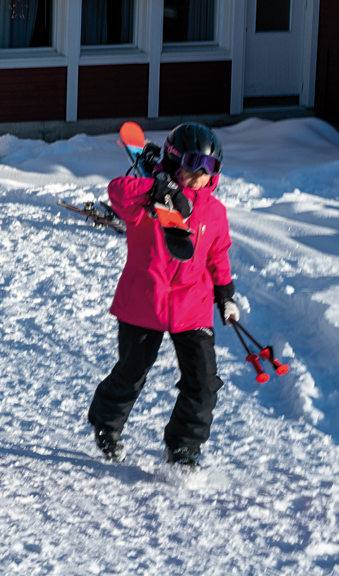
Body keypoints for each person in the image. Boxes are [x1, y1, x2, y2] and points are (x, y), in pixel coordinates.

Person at [87, 123, 237, 469]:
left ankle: (183, 447)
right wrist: (156, 189)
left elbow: (218, 255)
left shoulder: (214, 212)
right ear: (172, 161)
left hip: (193, 306)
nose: (200, 175)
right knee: (131, 372)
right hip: (144, 300)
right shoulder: (148, 202)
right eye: (192, 164)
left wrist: (226, 293)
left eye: (210, 168)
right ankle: (106, 423)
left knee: (204, 381)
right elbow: (117, 191)